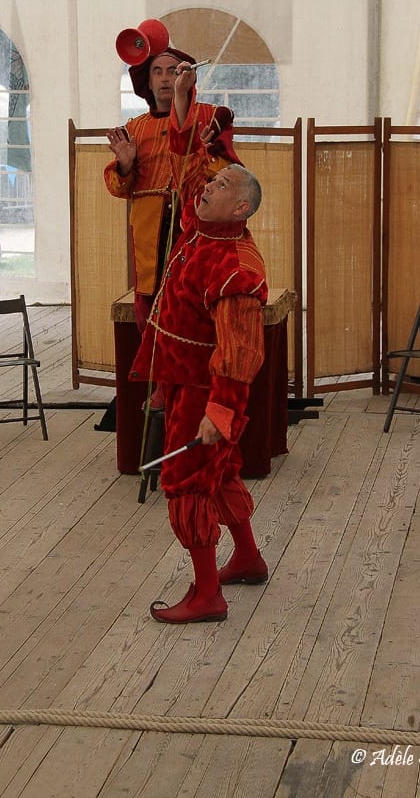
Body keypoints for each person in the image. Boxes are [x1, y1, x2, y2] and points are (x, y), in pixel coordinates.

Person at [130, 148, 269, 624]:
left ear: (241, 209)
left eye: (224, 184)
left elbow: (241, 349)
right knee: (222, 473)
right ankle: (248, 558)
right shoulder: (199, 227)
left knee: (187, 483)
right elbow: (187, 167)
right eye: (215, 180)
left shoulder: (235, 266)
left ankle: (207, 594)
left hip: (204, 391)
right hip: (181, 383)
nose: (210, 185)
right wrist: (186, 98)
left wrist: (220, 411)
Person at [105, 47, 239, 337]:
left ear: (188, 79)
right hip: (150, 233)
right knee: (152, 320)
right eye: (158, 71)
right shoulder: (135, 128)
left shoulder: (210, 117)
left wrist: (205, 154)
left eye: (174, 71)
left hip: (195, 226)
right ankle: (159, 382)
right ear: (148, 82)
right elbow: (119, 187)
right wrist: (125, 165)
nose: (166, 78)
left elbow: (230, 174)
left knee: (197, 312)